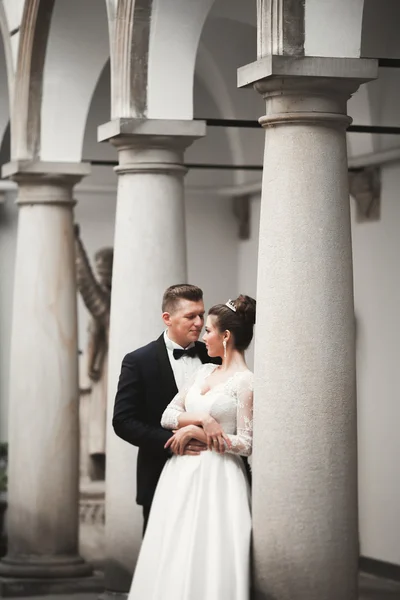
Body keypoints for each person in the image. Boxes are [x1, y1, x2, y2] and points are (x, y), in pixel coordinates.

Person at [127, 295, 255, 600]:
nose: (202, 333)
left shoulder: (248, 382)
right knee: (173, 547)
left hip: (219, 476)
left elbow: (248, 444)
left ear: (225, 336)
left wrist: (204, 435)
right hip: (179, 473)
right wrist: (199, 422)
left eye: (209, 329)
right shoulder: (203, 372)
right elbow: (167, 415)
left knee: (210, 550)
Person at [113, 284, 221, 532]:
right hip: (160, 472)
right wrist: (172, 441)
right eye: (190, 316)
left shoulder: (215, 356)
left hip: (212, 471)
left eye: (201, 314)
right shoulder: (138, 361)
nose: (198, 322)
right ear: (167, 319)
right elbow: (123, 421)